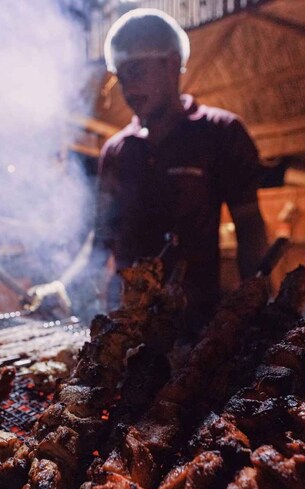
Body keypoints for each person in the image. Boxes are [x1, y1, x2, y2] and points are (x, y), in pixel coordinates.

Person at [30, 8, 270, 329]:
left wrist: (257, 302)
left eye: (138, 71)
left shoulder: (221, 133)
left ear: (172, 65)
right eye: (121, 76)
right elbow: (101, 236)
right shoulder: (116, 151)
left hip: (193, 322)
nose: (128, 89)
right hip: (124, 323)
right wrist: (65, 285)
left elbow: (249, 225)